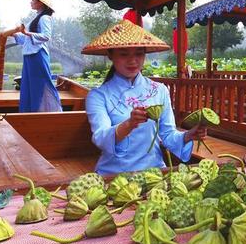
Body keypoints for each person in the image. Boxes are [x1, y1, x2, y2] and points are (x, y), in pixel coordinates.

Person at [81, 19, 207, 175]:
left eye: (139, 54)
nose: (133, 61)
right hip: (114, 175)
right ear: (110, 55)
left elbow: (167, 134)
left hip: (153, 173)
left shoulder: (159, 90)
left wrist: (188, 135)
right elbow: (100, 137)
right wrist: (129, 124)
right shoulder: (98, 96)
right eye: (124, 54)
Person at [1, 0, 62, 113]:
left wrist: (26, 33)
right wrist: (14, 34)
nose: (31, 2)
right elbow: (26, 40)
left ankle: (48, 111)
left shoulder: (45, 18)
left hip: (38, 55)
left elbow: (46, 36)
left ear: (41, 3)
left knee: (41, 82)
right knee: (28, 84)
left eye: (33, 0)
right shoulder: (36, 18)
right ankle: (31, 111)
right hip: (30, 56)